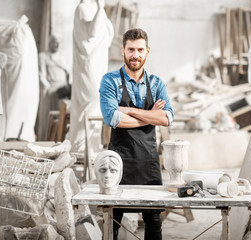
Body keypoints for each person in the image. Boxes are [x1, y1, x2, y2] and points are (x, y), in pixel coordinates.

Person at [99, 28, 174, 240]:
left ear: (147, 51)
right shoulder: (109, 81)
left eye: (140, 49)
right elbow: (112, 118)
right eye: (131, 49)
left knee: (153, 220)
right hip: (117, 161)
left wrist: (131, 110)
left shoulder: (157, 83)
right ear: (123, 50)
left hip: (149, 161)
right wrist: (150, 116)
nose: (135, 55)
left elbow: (167, 118)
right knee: (113, 218)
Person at [67, 0, 114, 152]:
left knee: (97, 105)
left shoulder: (94, 7)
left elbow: (106, 35)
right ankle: (81, 146)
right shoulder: (83, 8)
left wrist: (101, 9)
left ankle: (92, 145)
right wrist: (101, 8)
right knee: (89, 103)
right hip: (89, 67)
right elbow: (92, 33)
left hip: (98, 63)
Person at [38, 35, 69, 140]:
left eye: (59, 42)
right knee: (48, 115)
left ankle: (59, 138)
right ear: (50, 42)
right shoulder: (43, 56)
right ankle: (45, 138)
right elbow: (41, 75)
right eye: (55, 42)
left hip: (63, 89)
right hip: (50, 88)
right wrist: (46, 86)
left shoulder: (63, 57)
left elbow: (68, 73)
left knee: (61, 115)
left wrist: (68, 88)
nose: (57, 45)